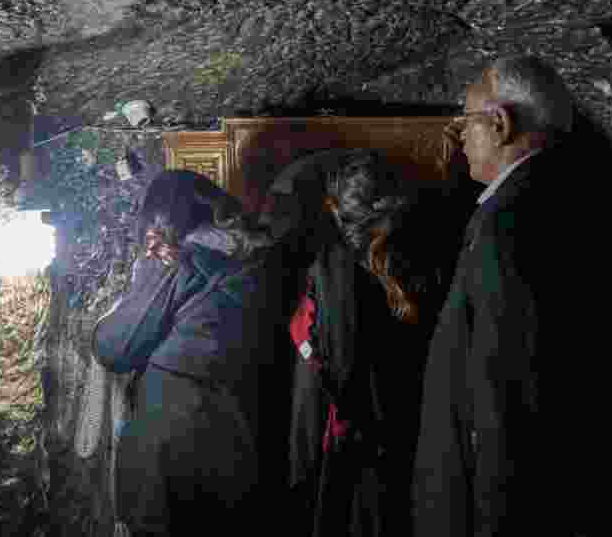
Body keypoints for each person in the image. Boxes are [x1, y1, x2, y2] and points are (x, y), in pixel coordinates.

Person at [412, 55, 612, 537]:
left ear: (500, 124)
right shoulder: (609, 196)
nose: (460, 136)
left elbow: (504, 396)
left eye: (466, 122)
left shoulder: (508, 223)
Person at [91, 169, 290, 537]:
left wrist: (111, 312)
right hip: (242, 445)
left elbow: (115, 347)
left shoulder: (184, 261)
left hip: (173, 460)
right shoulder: (263, 259)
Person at [268, 149, 445, 537]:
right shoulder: (422, 254)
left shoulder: (333, 267)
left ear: (335, 211)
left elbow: (339, 361)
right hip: (405, 423)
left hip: (345, 429)